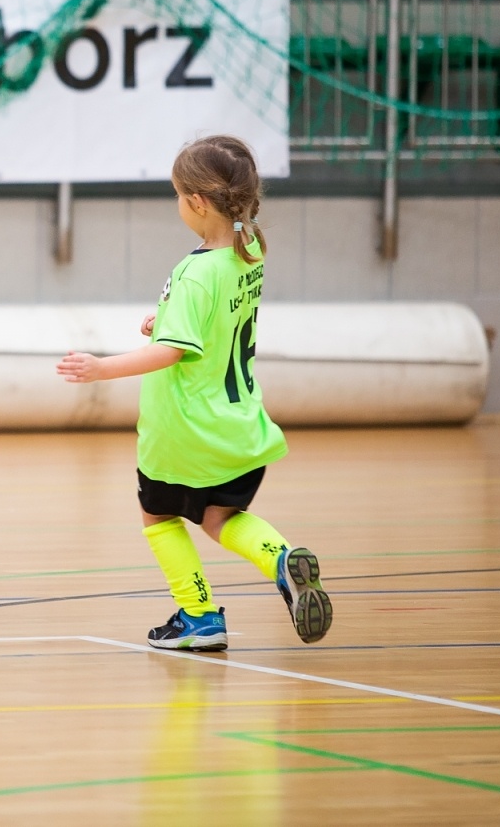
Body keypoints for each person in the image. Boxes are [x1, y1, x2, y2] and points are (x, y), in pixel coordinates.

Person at [56, 135, 331, 651]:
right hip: (240, 426)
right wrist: (166, 317)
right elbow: (216, 322)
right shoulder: (249, 255)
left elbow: (171, 353)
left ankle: (199, 616)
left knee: (158, 518)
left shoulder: (193, 273)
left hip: (185, 430)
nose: (177, 204)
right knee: (220, 518)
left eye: (179, 195)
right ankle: (279, 556)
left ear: (198, 203)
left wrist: (101, 368)